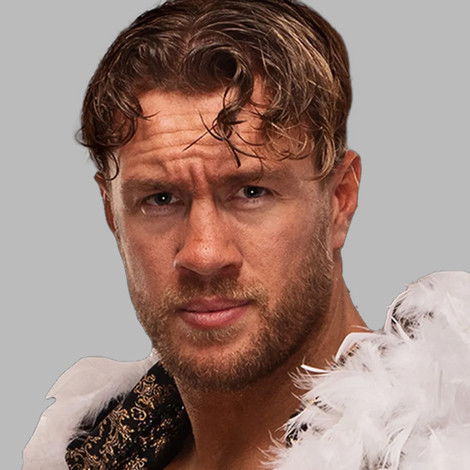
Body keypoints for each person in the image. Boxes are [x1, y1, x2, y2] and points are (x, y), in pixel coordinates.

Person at [23, 0, 470, 468]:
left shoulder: (437, 451)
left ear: (340, 199)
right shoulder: (90, 449)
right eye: (160, 198)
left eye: (251, 192)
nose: (204, 253)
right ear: (112, 215)